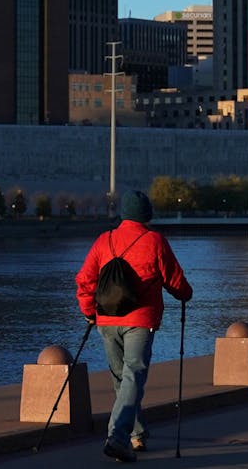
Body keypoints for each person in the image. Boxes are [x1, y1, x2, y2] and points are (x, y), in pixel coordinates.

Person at [75, 190, 193, 462]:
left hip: (106, 320)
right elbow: (174, 281)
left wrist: (88, 311)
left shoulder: (105, 240)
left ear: (124, 214)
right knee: (132, 377)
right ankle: (117, 437)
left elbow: (84, 280)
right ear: (147, 215)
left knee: (122, 378)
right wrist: (186, 294)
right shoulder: (154, 241)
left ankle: (136, 434)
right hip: (140, 321)